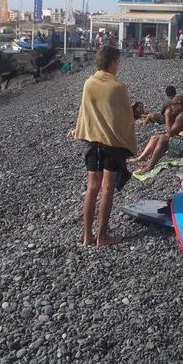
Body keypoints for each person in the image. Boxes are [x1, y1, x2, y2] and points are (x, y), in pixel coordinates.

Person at [71, 45, 136, 246]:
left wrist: (79, 131)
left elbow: (86, 112)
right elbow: (124, 118)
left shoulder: (89, 83)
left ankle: (87, 236)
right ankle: (102, 236)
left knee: (92, 188)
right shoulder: (118, 87)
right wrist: (130, 145)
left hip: (93, 143)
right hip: (112, 145)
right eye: (118, 62)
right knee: (107, 189)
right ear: (113, 62)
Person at [134, 92, 183, 172]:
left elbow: (169, 134)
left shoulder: (182, 116)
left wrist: (167, 116)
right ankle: (149, 161)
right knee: (159, 138)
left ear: (179, 105)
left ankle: (150, 166)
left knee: (163, 139)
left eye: (172, 105)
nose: (171, 107)